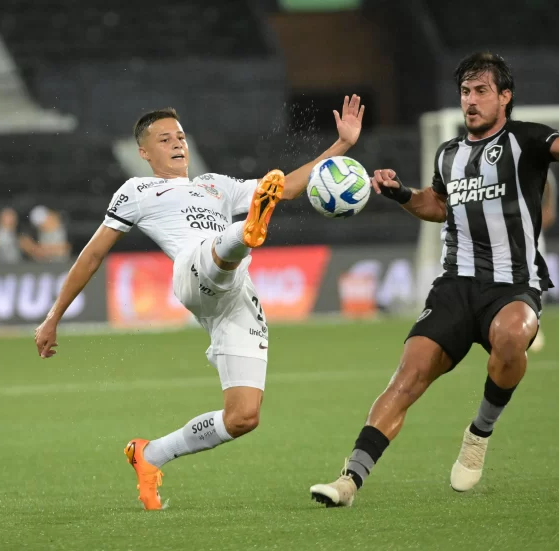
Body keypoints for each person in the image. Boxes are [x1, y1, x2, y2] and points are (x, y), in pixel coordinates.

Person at [309, 52, 559, 507]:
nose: (470, 101)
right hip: (454, 285)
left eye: (481, 91)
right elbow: (437, 205)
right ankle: (349, 480)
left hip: (512, 285)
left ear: (505, 96)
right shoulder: (449, 153)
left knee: (512, 337)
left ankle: (479, 433)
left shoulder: (526, 140)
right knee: (406, 378)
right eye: (466, 92)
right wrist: (401, 195)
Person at [34, 95, 365, 510]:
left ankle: (149, 454)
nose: (177, 143)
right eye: (164, 138)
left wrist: (341, 146)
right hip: (193, 273)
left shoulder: (217, 186)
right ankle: (246, 232)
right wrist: (53, 317)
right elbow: (92, 254)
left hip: (237, 298)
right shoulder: (136, 190)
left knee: (244, 417)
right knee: (218, 249)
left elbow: (290, 187)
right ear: (144, 152)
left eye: (181, 136)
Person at [529, 170, 557, 352]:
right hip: (503, 229)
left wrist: (548, 207)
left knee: (537, 277)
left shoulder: (531, 155)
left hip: (531, 228)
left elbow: (548, 180)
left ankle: (534, 325)